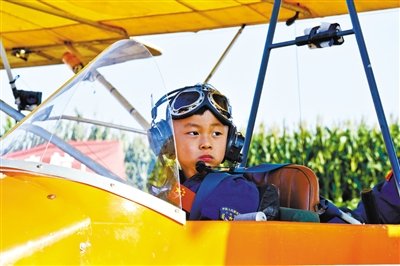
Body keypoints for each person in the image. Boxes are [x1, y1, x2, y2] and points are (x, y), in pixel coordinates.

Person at [150, 83, 260, 220]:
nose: (206, 144)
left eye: (216, 134)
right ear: (169, 141)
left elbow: (208, 233)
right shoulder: (172, 185)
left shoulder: (238, 190)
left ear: (231, 141)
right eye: (193, 133)